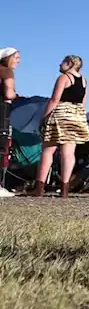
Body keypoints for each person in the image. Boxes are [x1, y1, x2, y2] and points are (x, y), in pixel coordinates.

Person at [34, 55, 89, 198]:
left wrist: (43, 118)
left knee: (48, 149)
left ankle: (39, 188)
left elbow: (54, 100)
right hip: (76, 116)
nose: (60, 64)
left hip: (61, 114)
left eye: (63, 62)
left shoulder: (64, 78)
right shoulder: (84, 81)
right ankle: (65, 189)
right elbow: (83, 103)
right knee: (69, 153)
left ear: (70, 63)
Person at [0, 48, 18, 199]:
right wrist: (16, 95)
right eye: (16, 58)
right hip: (2, 110)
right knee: (1, 146)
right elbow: (8, 93)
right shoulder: (6, 71)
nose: (18, 61)